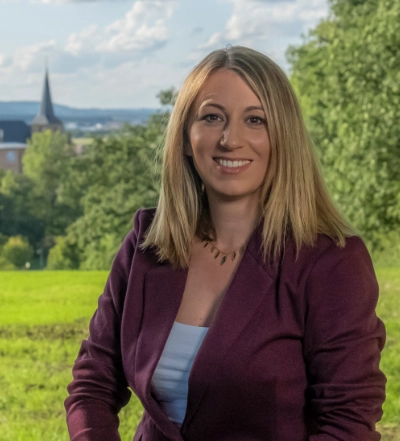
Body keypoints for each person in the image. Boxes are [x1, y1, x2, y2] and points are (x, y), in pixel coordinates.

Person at [65, 46, 386, 441]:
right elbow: (92, 384)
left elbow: (348, 424)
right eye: (212, 117)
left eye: (255, 120)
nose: (231, 140)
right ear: (185, 137)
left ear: (283, 138)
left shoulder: (331, 263)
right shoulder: (145, 245)